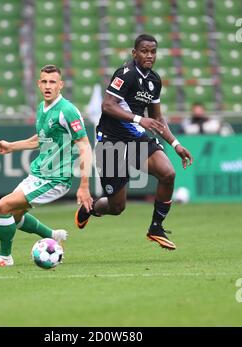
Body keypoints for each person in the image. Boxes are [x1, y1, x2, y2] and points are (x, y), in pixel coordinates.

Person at [75, 34, 193, 250]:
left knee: (168, 173)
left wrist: (176, 145)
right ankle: (90, 208)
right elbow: (108, 106)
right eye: (145, 51)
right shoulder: (125, 74)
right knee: (117, 206)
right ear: (134, 53)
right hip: (111, 142)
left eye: (153, 51)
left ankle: (156, 227)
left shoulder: (154, 80)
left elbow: (157, 119)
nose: (149, 55)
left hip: (136, 139)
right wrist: (140, 119)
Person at [0, 64, 93, 267]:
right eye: (44, 82)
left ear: (61, 85)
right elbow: (39, 139)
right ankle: (52, 235)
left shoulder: (67, 111)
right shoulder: (42, 108)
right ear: (38, 84)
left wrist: (84, 185)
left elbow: (84, 146)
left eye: (53, 82)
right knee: (14, 214)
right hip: (38, 174)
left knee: (3, 206)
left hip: (55, 179)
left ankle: (4, 257)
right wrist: (11, 146)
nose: (48, 86)